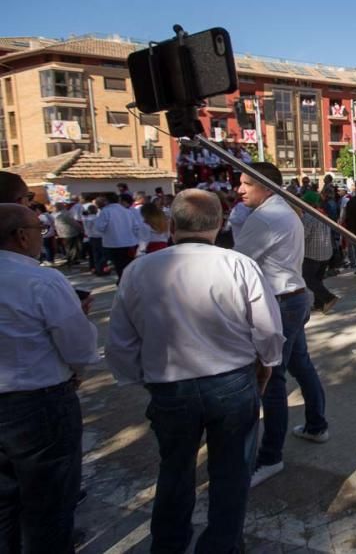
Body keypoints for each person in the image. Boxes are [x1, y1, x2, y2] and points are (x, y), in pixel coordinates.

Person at [106, 190, 284, 553]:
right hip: (231, 383)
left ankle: (169, 544)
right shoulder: (238, 265)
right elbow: (268, 329)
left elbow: (121, 342)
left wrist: (143, 378)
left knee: (174, 469)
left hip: (172, 386)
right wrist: (266, 365)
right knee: (231, 472)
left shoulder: (139, 270)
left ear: (172, 226)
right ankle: (221, 545)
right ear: (219, 225)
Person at [0, 203, 99, 552]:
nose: (42, 237)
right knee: (49, 502)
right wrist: (76, 372)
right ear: (21, 235)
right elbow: (79, 347)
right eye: (38, 230)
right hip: (37, 402)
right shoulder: (41, 279)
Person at [236, 162, 329, 486]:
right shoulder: (283, 210)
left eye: (246, 183)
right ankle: (316, 424)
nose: (240, 189)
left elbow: (238, 262)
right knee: (300, 364)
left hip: (280, 302)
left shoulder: (266, 216)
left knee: (271, 378)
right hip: (293, 297)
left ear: (265, 185)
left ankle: (270, 457)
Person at [301, 191, 339, 314]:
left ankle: (328, 297)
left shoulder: (308, 217)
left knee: (308, 278)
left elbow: (303, 235)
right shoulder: (323, 214)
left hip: (312, 254)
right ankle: (319, 304)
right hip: (325, 252)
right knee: (317, 279)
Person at [95, 191, 142, 283]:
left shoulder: (106, 211)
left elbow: (99, 227)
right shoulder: (127, 211)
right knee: (128, 265)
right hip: (129, 243)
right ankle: (129, 282)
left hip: (113, 244)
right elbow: (136, 227)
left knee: (118, 266)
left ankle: (123, 283)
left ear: (106, 201)